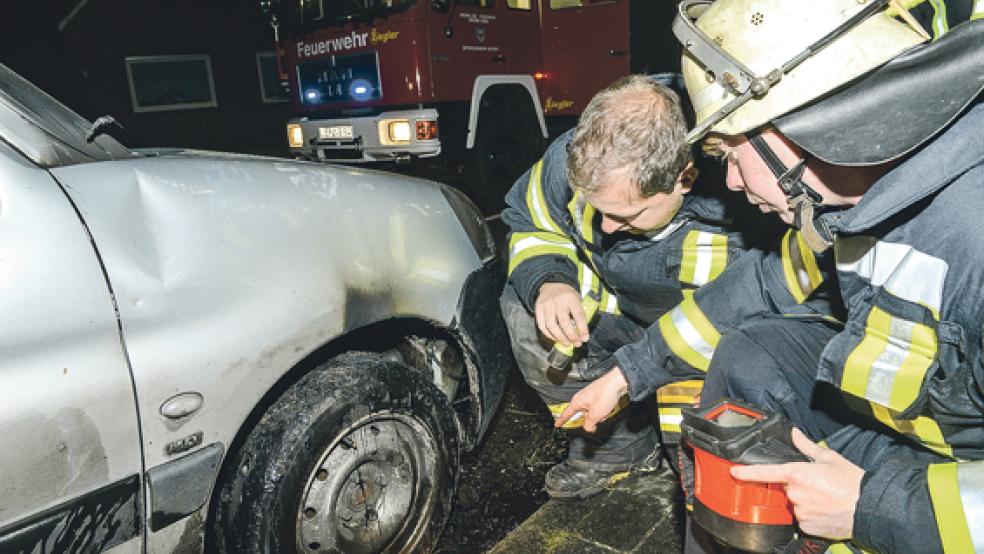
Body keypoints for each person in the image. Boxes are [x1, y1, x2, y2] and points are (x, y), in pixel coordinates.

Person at [557, 0, 984, 551]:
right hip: (921, 430)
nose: (730, 183)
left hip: (944, 483)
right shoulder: (849, 206)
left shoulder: (970, 235)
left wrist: (868, 508)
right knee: (752, 356)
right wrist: (626, 375)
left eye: (731, 155)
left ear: (800, 126)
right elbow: (759, 286)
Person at [501, 74, 771, 500]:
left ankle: (681, 454)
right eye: (598, 210)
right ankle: (615, 451)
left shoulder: (749, 193)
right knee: (522, 307)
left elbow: (747, 310)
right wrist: (549, 283)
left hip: (702, 331)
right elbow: (531, 221)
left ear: (685, 177)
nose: (607, 228)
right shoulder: (575, 158)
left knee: (704, 473)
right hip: (613, 308)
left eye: (629, 214)